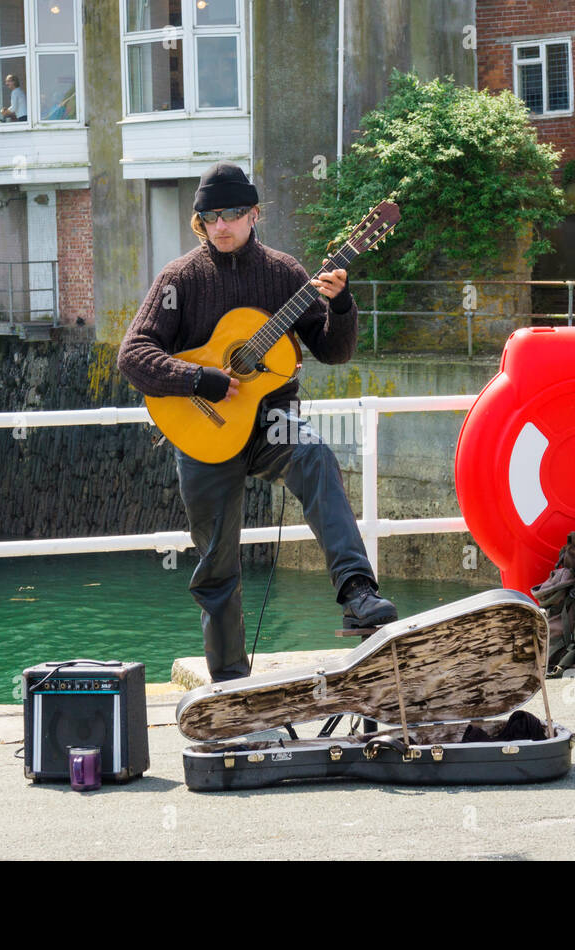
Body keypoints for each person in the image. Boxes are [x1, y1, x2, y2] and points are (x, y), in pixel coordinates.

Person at [118, 162, 397, 682]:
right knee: (216, 567)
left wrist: (343, 304)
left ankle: (358, 593)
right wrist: (198, 380)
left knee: (313, 451)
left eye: (232, 214)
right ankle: (228, 685)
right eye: (210, 217)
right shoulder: (179, 279)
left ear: (254, 215)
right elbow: (133, 355)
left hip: (271, 424)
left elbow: (333, 353)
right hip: (202, 430)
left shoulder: (286, 274)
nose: (221, 225)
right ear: (200, 222)